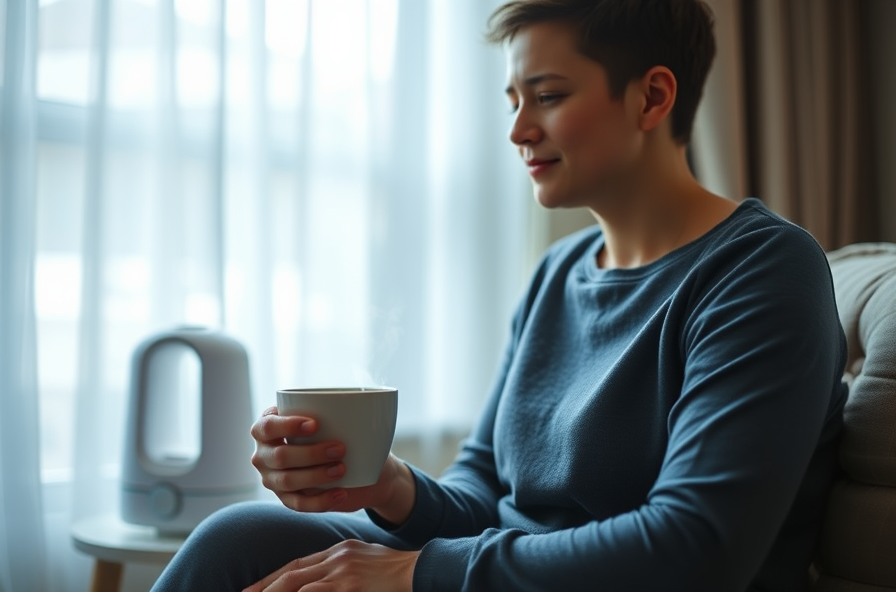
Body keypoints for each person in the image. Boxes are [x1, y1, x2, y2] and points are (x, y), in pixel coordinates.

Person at [151, 0, 847, 590]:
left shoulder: (762, 270)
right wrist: (385, 486)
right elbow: (484, 497)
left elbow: (696, 546)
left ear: (652, 97)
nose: (517, 131)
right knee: (239, 535)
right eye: (514, 102)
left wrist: (414, 573)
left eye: (547, 96)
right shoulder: (557, 274)